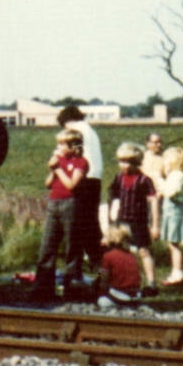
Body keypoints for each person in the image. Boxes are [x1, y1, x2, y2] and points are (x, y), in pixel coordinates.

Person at [32, 129, 88, 299]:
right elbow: (48, 184)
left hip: (70, 204)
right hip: (53, 203)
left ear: (73, 146)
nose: (59, 147)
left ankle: (72, 287)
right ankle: (43, 288)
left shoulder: (81, 162)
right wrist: (53, 169)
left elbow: (71, 184)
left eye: (62, 144)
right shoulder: (59, 162)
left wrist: (58, 169)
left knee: (72, 247)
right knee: (47, 246)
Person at [57, 106, 103, 288]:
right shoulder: (90, 130)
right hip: (95, 179)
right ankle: (99, 266)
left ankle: (77, 271)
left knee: (78, 227)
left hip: (84, 179)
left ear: (67, 122)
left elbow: (76, 153)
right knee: (91, 226)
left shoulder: (76, 132)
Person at [107, 141, 161, 295]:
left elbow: (153, 202)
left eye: (129, 162)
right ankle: (117, 281)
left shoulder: (144, 180)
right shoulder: (118, 178)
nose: (125, 165)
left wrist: (155, 225)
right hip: (121, 220)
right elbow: (112, 197)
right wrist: (110, 220)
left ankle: (151, 284)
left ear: (137, 162)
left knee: (143, 251)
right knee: (116, 251)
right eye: (122, 161)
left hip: (138, 221)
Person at [157, 145, 183, 286]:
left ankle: (177, 273)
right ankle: (175, 272)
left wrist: (160, 180)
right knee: (171, 244)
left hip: (174, 214)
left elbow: (171, 192)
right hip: (170, 213)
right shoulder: (173, 175)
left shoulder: (178, 175)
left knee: (174, 244)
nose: (163, 163)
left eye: (165, 160)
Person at [95, 222, 142, 307]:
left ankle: (118, 304)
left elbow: (104, 280)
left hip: (120, 296)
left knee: (101, 301)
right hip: (136, 295)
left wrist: (101, 290)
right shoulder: (131, 255)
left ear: (112, 238)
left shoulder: (108, 256)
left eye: (105, 236)